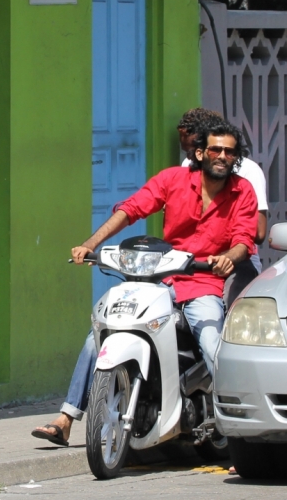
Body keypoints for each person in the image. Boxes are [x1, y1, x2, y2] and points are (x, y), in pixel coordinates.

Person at [31, 119, 258, 447]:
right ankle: (65, 419)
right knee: (100, 336)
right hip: (159, 281)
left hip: (203, 284)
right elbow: (131, 209)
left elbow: (244, 239)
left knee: (212, 344)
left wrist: (229, 258)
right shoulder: (173, 180)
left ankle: (240, 433)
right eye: (215, 149)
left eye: (229, 151)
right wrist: (90, 244)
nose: (222, 156)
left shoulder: (242, 191)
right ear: (199, 152)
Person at [177, 109, 269, 306]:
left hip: (237, 263)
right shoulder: (188, 164)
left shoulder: (248, 171)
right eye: (189, 152)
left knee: (230, 314)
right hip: (194, 259)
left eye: (195, 148)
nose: (193, 156)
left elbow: (259, 232)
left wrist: (219, 227)